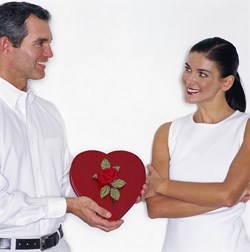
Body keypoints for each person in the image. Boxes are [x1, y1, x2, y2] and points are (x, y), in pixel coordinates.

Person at [0, 2, 125, 251]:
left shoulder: (47, 112)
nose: (49, 54)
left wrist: (115, 190)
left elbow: (64, 180)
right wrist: (68, 205)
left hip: (58, 245)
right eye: (40, 43)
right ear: (5, 46)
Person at [145, 37, 250, 252]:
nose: (189, 80)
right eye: (188, 69)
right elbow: (156, 207)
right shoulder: (168, 132)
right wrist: (223, 198)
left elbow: (228, 194)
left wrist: (162, 186)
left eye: (202, 74)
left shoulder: (245, 128)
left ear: (226, 82)